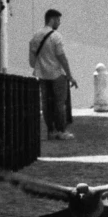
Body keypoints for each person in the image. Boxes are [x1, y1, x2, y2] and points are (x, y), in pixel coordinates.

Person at [28, 9, 76, 138]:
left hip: (42, 75)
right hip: (56, 75)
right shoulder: (56, 36)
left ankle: (51, 131)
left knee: (46, 103)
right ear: (53, 19)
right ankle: (61, 131)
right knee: (60, 103)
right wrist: (70, 76)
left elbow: (32, 61)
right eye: (58, 20)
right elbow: (62, 57)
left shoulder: (36, 36)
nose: (59, 23)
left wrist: (39, 66)